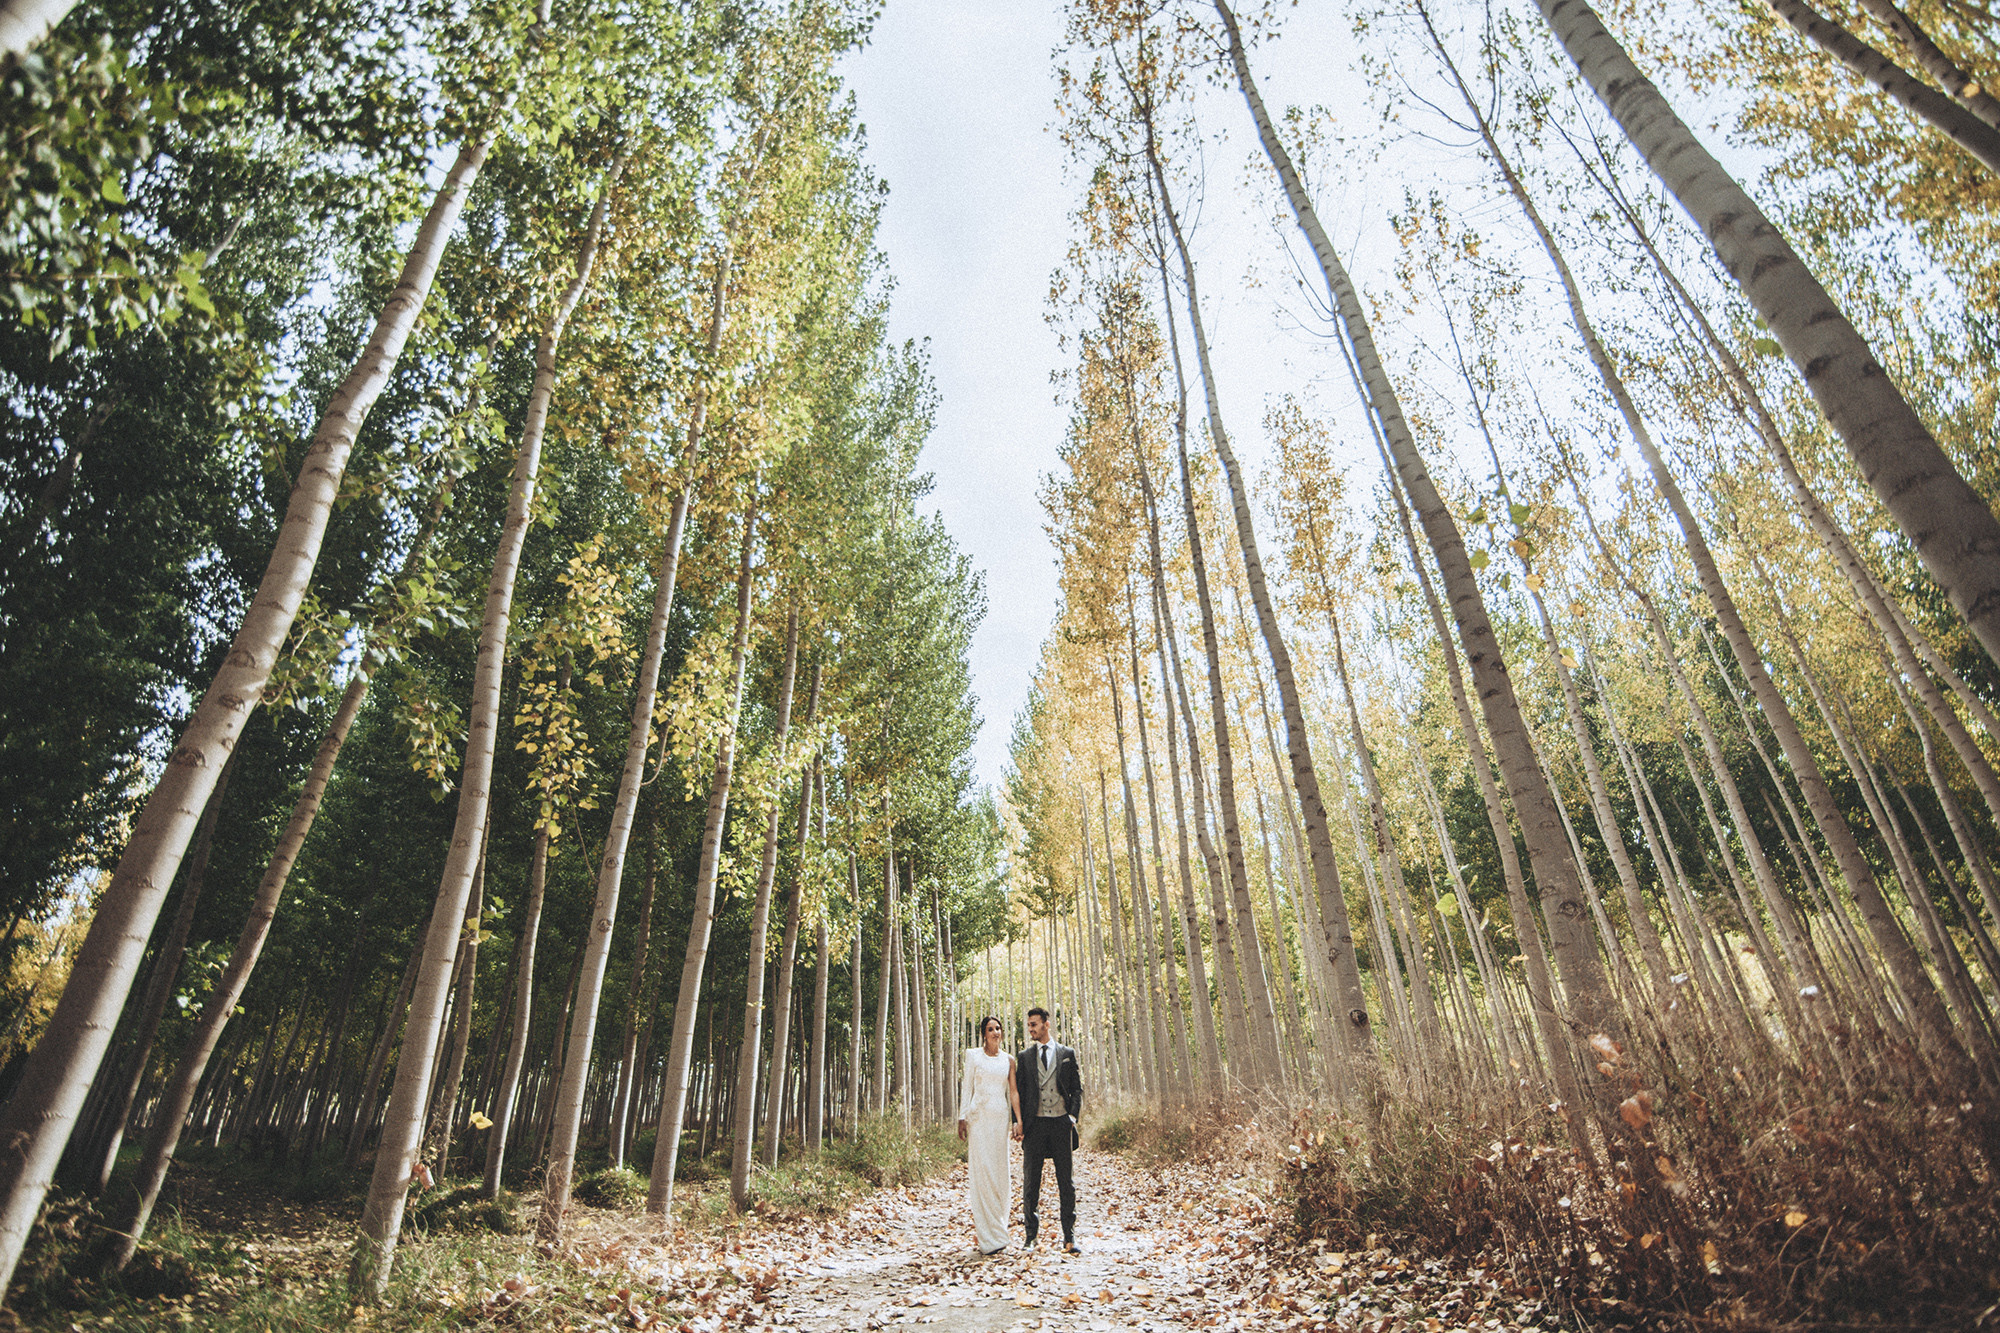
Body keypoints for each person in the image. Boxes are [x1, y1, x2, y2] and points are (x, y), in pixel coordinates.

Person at [1014, 1005, 1082, 1252]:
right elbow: (1019, 1092)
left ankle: (1069, 1237)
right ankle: (1030, 1237)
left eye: (1034, 1024)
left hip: (1061, 1123)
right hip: (1036, 1124)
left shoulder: (1067, 1053)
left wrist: (1072, 1116)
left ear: (1046, 1025)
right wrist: (1017, 1121)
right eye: (1029, 1025)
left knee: (1066, 1182)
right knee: (1031, 1182)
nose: (1030, 1029)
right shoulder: (1024, 1057)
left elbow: (1077, 1089)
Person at [957, 1015, 1023, 1255]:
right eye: (990, 1029)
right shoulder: (973, 1056)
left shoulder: (1009, 1060)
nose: (995, 1032)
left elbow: (1013, 1092)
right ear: (983, 1034)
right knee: (982, 1172)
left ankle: (1000, 1228)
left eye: (998, 1028)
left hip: (999, 1119)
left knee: (999, 1173)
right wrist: (962, 1117)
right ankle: (988, 1238)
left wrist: (1018, 1120)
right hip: (979, 1120)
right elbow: (967, 1087)